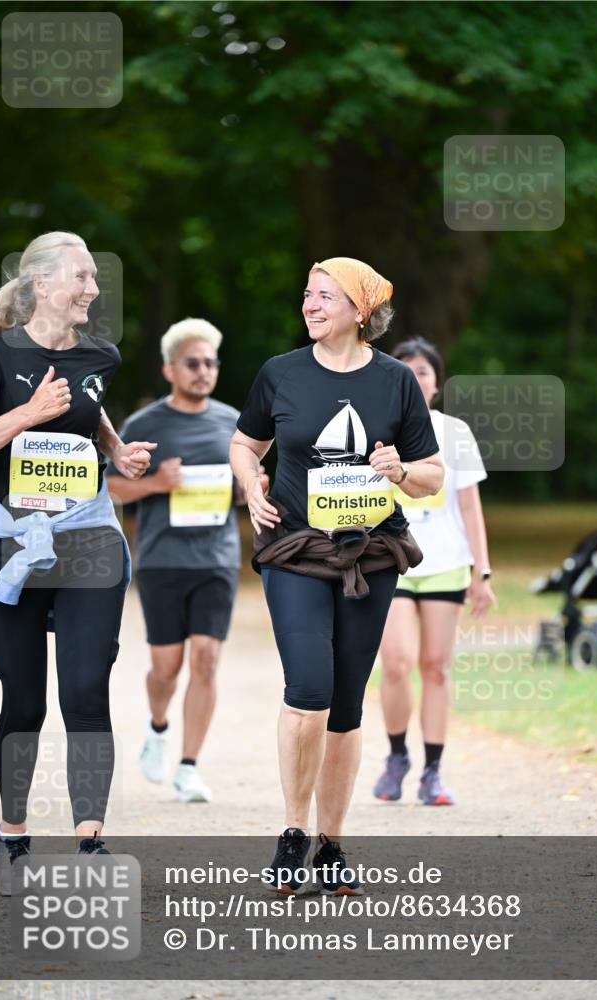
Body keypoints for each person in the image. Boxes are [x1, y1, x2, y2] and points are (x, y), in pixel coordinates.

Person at [230, 257, 444, 895]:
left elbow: (432, 473)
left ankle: (331, 842)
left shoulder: (396, 382)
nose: (311, 305)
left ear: (361, 310)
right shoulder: (281, 374)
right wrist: (250, 484)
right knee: (309, 689)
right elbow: (246, 443)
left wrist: (398, 470)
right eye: (307, 294)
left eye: (325, 296)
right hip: (295, 550)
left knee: (347, 704)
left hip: (370, 556)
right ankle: (293, 833)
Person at [0, 232, 155, 892]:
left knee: (85, 690)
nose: (92, 289)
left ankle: (90, 842)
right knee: (23, 702)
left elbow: (91, 416)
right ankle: (13, 831)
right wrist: (26, 413)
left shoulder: (100, 355)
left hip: (87, 538)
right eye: (81, 277)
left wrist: (119, 453)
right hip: (9, 546)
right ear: (43, 284)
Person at [106, 319, 260, 803]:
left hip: (216, 558)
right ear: (170, 369)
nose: (203, 371)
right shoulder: (143, 425)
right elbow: (107, 486)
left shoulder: (234, 423)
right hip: (161, 560)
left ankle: (189, 767)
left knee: (207, 660)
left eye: (211, 363)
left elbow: (249, 487)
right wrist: (154, 483)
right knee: (166, 669)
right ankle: (157, 727)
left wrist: (246, 491)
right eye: (192, 363)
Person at [373, 337, 497, 807]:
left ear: (436, 383)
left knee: (436, 669)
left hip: (445, 565)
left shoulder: (455, 433)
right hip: (392, 562)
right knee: (398, 663)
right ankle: (396, 755)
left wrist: (480, 572)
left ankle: (433, 770)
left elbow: (470, 507)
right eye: (405, 370)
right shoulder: (377, 431)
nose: (414, 378)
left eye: (422, 371)